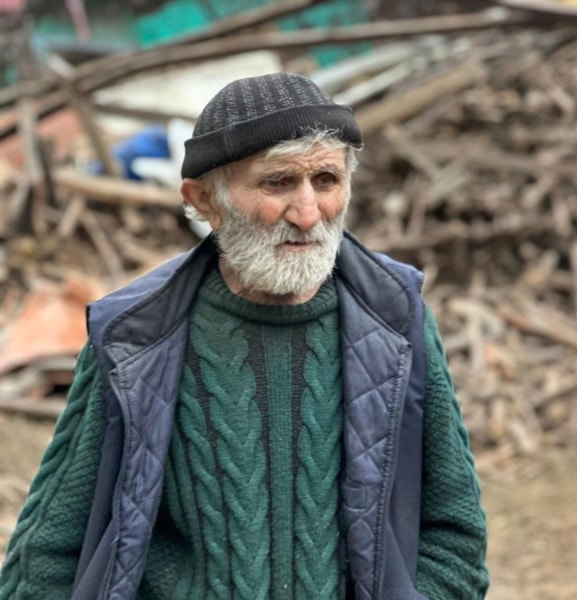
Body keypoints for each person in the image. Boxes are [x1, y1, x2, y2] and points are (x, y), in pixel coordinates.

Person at [0, 72, 489, 599]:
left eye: (326, 180)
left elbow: (455, 538)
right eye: (278, 182)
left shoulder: (393, 320)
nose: (308, 213)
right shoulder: (137, 338)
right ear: (204, 200)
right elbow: (46, 555)